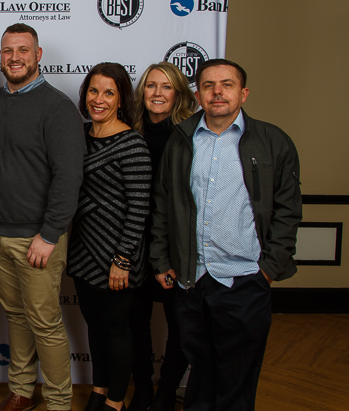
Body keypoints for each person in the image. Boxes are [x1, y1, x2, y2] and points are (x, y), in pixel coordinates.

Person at [150, 59, 302, 411]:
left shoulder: (273, 141)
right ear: (198, 95)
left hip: (245, 279)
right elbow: (163, 204)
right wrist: (160, 259)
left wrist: (268, 269)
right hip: (192, 280)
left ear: (243, 93)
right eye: (208, 85)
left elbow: (288, 210)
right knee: (200, 376)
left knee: (237, 380)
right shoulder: (181, 140)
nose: (217, 92)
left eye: (227, 85)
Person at [0, 23, 85, 411]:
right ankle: (22, 391)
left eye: (23, 50)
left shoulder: (57, 108)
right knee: (16, 317)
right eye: (8, 51)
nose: (15, 58)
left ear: (38, 55)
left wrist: (50, 233)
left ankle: (58, 403)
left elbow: (68, 176)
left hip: (38, 238)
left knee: (45, 322)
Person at [66, 63, 152, 411]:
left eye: (108, 93)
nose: (98, 99)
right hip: (83, 250)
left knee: (116, 329)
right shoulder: (79, 136)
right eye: (93, 91)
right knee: (95, 326)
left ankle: (116, 400)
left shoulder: (133, 144)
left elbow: (139, 208)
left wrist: (122, 259)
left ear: (120, 99)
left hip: (116, 253)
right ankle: (99, 390)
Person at [128, 63, 197, 411]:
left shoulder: (191, 137)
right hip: (133, 242)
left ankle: (167, 391)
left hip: (174, 245)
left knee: (180, 324)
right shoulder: (130, 132)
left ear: (179, 94)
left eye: (166, 87)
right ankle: (142, 387)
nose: (157, 93)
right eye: (151, 85)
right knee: (134, 322)